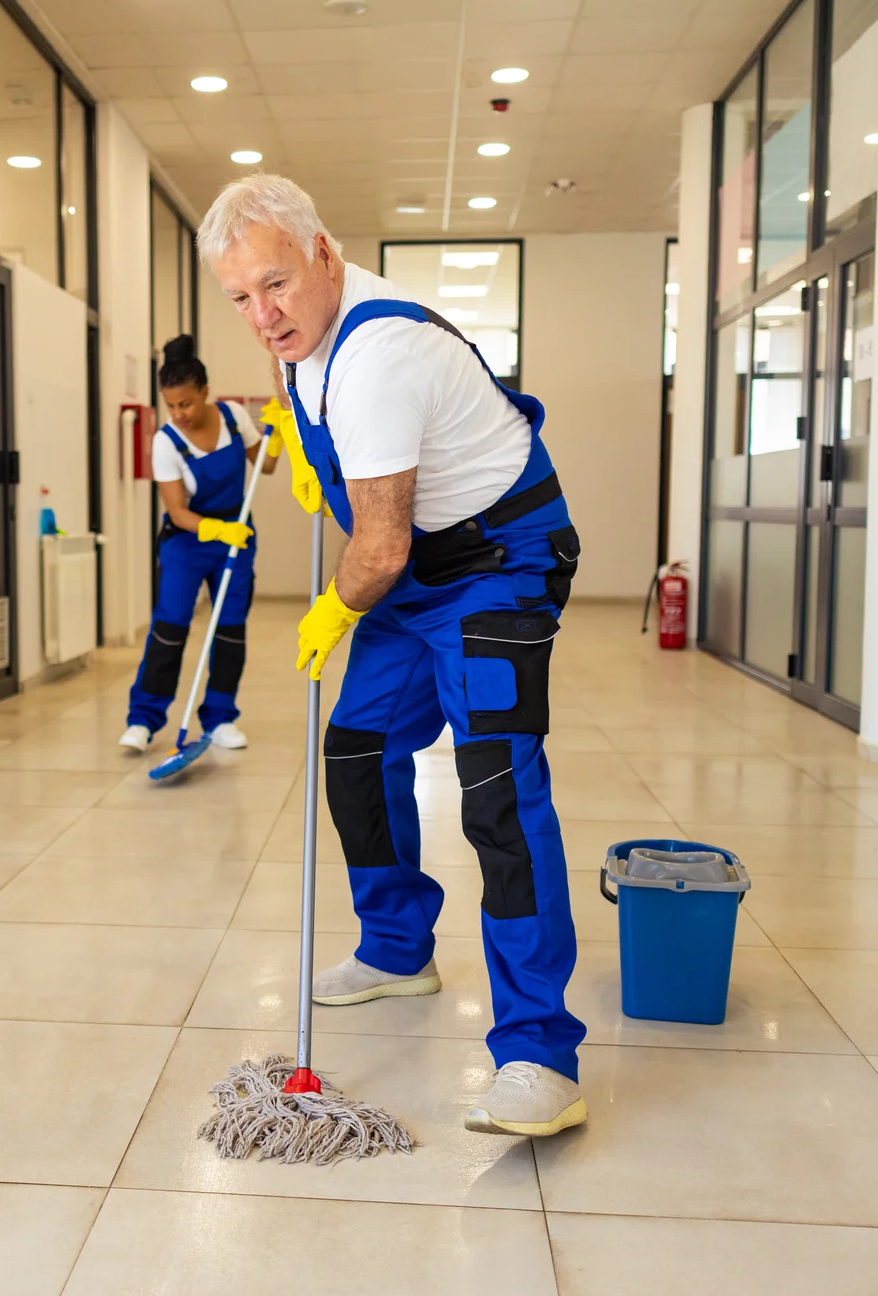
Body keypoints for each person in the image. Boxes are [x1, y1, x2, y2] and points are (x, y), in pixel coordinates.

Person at [200, 175, 587, 1138]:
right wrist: (299, 441)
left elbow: (378, 549)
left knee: (496, 787)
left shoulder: (380, 354)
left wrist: (330, 610)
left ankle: (541, 1053)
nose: (263, 315)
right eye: (240, 297)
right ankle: (397, 946)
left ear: (324, 251)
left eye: (276, 284)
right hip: (416, 573)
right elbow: (374, 508)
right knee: (358, 749)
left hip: (497, 565)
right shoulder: (307, 345)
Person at [120, 333, 280, 753]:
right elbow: (177, 511)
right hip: (188, 542)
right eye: (170, 406)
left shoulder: (231, 418)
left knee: (229, 631)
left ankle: (221, 717)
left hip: (237, 536)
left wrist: (275, 435)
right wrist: (215, 530)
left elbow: (265, 466)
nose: (178, 413)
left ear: (205, 391)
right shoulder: (164, 442)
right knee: (170, 627)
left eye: (185, 403)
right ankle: (144, 719)